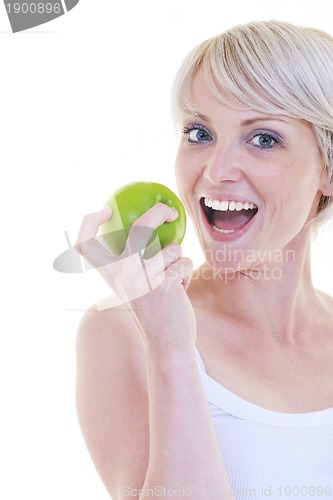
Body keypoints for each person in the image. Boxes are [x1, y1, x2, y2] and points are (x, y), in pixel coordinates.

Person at [75, 20, 333, 499]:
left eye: (263, 139)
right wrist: (171, 349)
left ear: (327, 169)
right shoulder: (123, 331)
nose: (216, 171)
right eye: (199, 133)